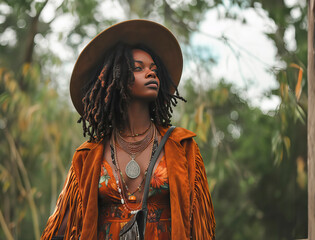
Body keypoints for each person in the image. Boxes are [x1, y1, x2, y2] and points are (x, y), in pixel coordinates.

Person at [41, 19, 215, 240]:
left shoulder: (182, 147)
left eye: (154, 69)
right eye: (138, 68)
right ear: (117, 78)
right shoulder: (87, 157)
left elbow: (200, 228)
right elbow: (64, 229)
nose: (151, 73)